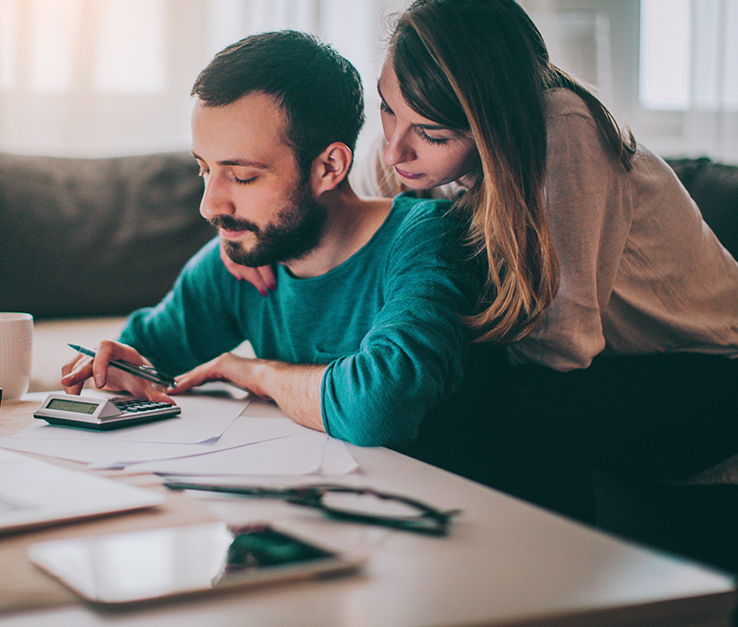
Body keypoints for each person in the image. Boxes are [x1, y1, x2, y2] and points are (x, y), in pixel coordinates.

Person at [224, 0, 738, 523]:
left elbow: (561, 346)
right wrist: (254, 235)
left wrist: (403, 362)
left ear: (494, 126)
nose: (394, 151)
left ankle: (545, 579)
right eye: (387, 107)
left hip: (705, 372)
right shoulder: (412, 148)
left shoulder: (563, 132)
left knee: (484, 393)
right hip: (604, 370)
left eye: (433, 134)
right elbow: (345, 223)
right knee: (416, 376)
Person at [61, 30, 480, 449]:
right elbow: (144, 354)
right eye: (204, 169)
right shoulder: (244, 258)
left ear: (328, 167)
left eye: (242, 176)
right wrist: (120, 367)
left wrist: (257, 372)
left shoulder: (429, 241)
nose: (210, 206)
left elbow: (379, 410)